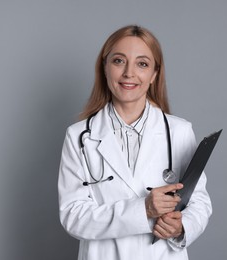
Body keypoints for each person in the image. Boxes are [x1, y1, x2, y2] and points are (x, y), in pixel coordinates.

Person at [58, 25, 212, 260]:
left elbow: (199, 202)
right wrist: (144, 210)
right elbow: (72, 216)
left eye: (142, 64)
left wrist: (181, 227)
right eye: (119, 61)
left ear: (154, 75)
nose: (129, 73)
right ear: (105, 67)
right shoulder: (79, 136)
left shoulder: (179, 131)